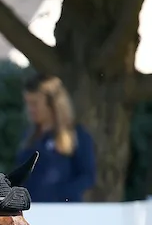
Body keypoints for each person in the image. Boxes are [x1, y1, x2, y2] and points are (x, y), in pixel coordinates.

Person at [15, 73, 96, 202]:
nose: (30, 109)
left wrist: (61, 195)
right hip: (33, 212)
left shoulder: (77, 136)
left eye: (35, 104)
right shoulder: (29, 138)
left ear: (53, 104)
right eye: (28, 103)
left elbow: (87, 176)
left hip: (65, 214)